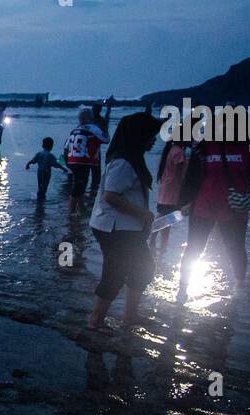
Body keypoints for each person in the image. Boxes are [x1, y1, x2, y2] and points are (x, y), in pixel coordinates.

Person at [175, 122, 250, 303]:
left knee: (236, 248)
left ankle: (239, 286)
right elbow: (191, 174)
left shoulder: (249, 147)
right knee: (194, 248)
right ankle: (182, 290)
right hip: (203, 206)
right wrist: (184, 201)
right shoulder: (205, 145)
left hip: (235, 208)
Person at [87, 112, 163, 332]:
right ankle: (95, 321)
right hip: (114, 228)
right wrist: (143, 214)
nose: (154, 140)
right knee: (115, 274)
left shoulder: (130, 158)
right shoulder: (123, 162)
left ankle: (129, 316)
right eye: (151, 135)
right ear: (140, 136)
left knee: (143, 269)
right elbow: (111, 196)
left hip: (125, 227)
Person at [149, 126, 189, 256]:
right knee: (167, 217)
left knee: (166, 217)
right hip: (172, 189)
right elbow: (183, 174)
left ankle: (160, 244)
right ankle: (155, 242)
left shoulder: (171, 150)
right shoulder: (178, 153)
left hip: (166, 188)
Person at [63, 107, 107, 209]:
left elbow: (66, 146)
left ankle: (81, 207)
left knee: (79, 183)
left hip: (71, 159)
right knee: (80, 185)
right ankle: (72, 211)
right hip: (84, 160)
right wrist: (103, 128)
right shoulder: (93, 128)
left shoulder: (74, 130)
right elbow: (106, 139)